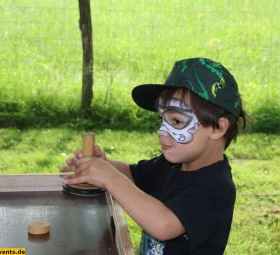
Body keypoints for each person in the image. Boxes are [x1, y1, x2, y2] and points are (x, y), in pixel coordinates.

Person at [60, 57, 248, 255]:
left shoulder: (215, 188)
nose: (162, 131)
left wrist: (109, 177)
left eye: (176, 121)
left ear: (218, 128)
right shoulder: (171, 164)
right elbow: (133, 175)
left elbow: (163, 225)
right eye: (163, 119)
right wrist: (101, 164)